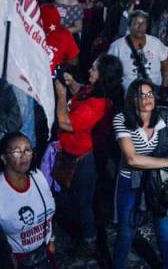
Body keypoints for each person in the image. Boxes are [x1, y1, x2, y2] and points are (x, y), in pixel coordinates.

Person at [112, 79, 168, 269]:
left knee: (164, 231)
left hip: (158, 182)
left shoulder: (164, 114)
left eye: (150, 94)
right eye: (142, 95)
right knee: (127, 230)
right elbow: (132, 159)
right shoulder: (122, 119)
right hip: (131, 181)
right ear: (132, 99)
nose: (148, 99)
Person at [54, 53, 124, 250]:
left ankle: (88, 239)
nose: (89, 71)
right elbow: (81, 91)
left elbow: (64, 122)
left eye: (94, 69)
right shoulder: (93, 91)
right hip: (72, 155)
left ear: (102, 75)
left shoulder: (97, 105)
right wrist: (71, 83)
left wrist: (60, 95)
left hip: (82, 160)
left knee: (82, 202)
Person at [0, 132, 56, 269]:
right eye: (16, 152)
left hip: (45, 254)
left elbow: (50, 211)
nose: (24, 156)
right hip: (17, 262)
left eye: (27, 150)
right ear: (4, 158)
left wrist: (51, 239)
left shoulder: (38, 176)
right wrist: (8, 258)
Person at [108, 9, 168, 92]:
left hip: (154, 91)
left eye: (143, 23)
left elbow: (166, 68)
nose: (140, 27)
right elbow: (109, 73)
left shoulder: (156, 43)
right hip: (128, 93)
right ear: (129, 25)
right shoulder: (117, 46)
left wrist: (164, 89)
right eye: (136, 23)